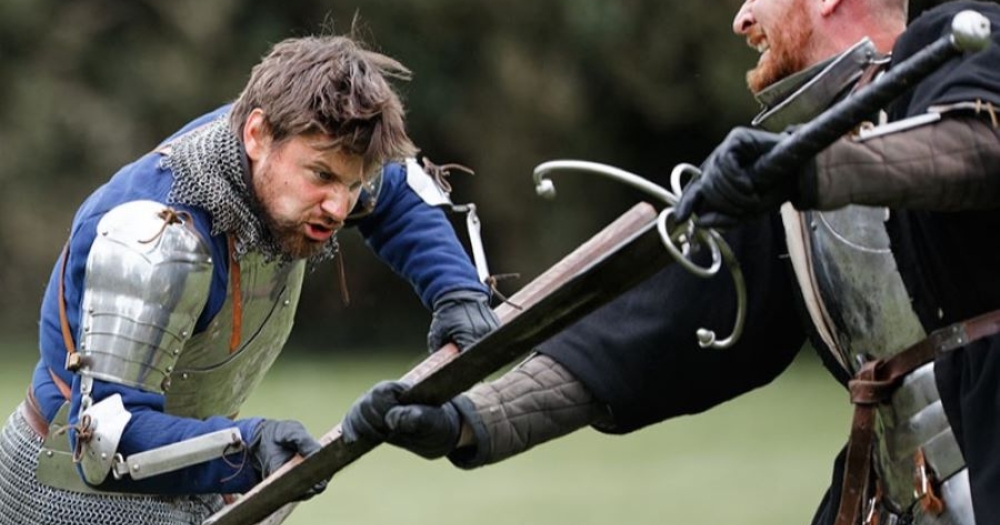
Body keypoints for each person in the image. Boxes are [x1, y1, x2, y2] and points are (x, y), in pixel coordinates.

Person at [342, 1, 1000, 524]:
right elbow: (645, 335)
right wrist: (469, 417)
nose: (741, 19)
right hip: (894, 495)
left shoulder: (958, 47)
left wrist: (810, 171)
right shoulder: (787, 186)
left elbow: (978, 148)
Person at [0, 33, 500, 525]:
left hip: (188, 482)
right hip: (68, 497)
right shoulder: (154, 237)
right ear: (256, 135)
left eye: (352, 184)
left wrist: (455, 291)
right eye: (322, 177)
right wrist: (246, 447)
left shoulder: (305, 151)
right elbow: (102, 440)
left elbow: (395, 189)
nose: (340, 205)